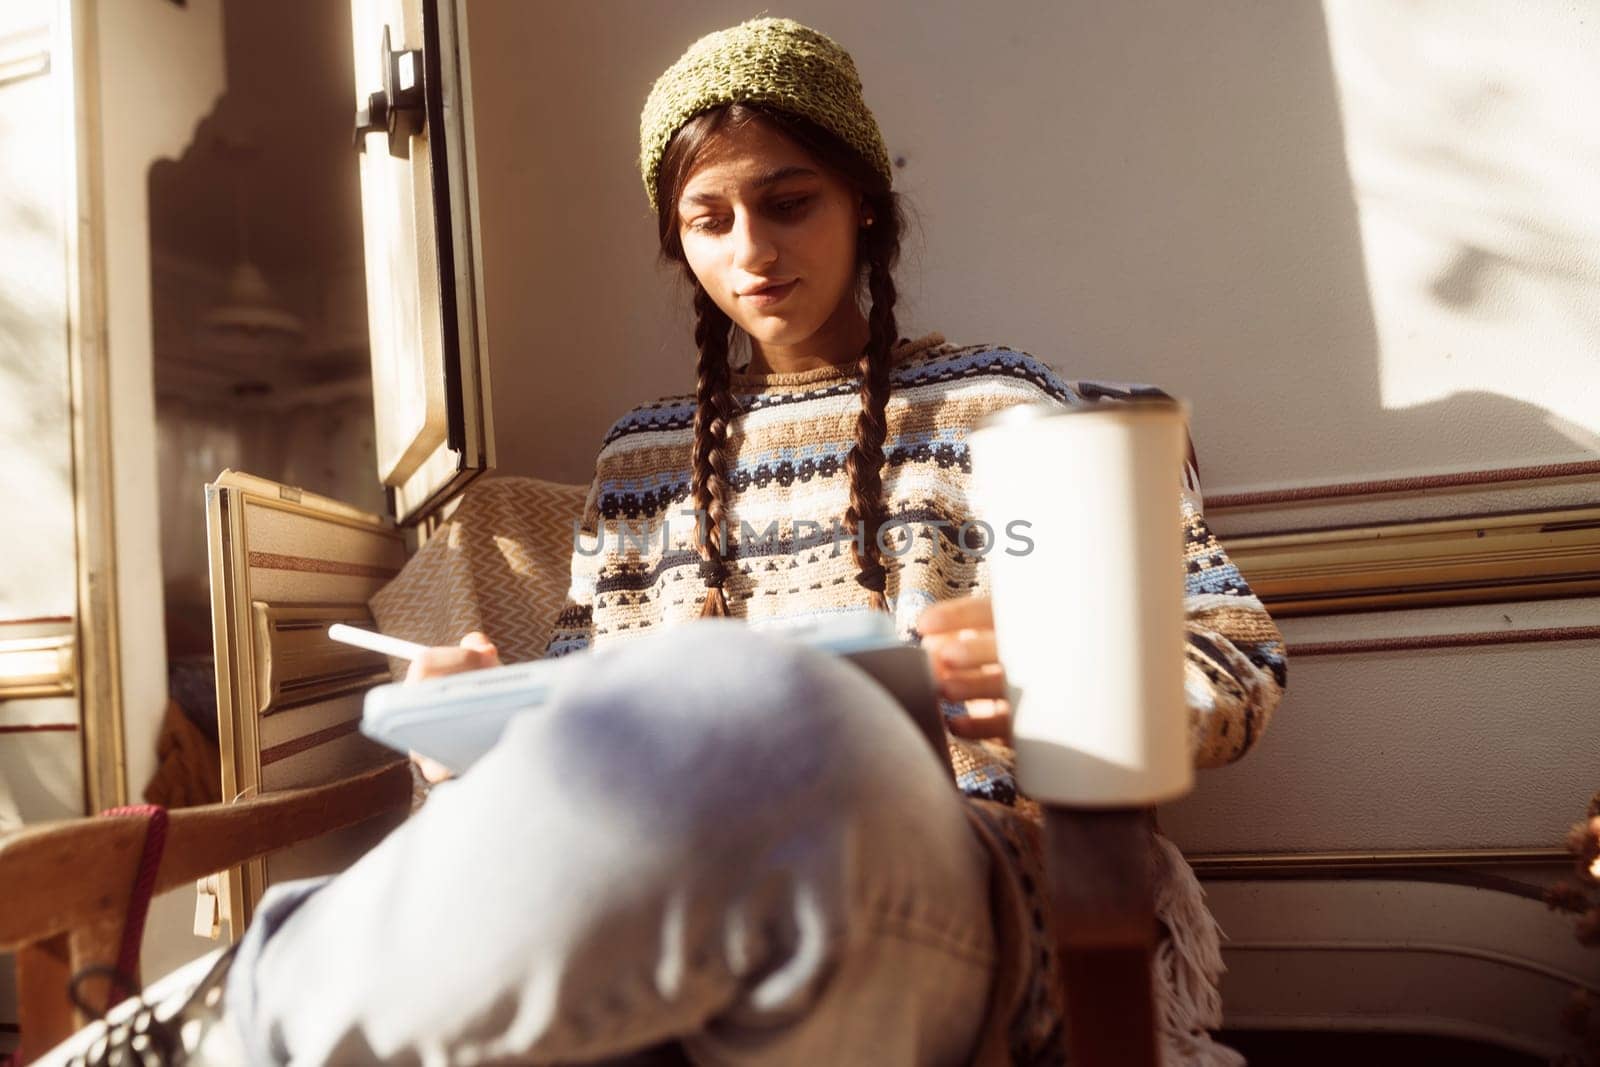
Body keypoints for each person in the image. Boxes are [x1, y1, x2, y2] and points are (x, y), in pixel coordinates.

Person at [54, 16, 1285, 1066]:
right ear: (677, 240)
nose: (750, 250)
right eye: (709, 219)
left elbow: (1232, 664)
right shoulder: (638, 461)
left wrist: (1045, 682)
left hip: (958, 875)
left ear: (864, 200)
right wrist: (483, 723)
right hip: (685, 886)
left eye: (788, 201)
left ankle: (209, 1026)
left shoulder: (1006, 408)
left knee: (765, 706)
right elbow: (599, 734)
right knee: (674, 727)